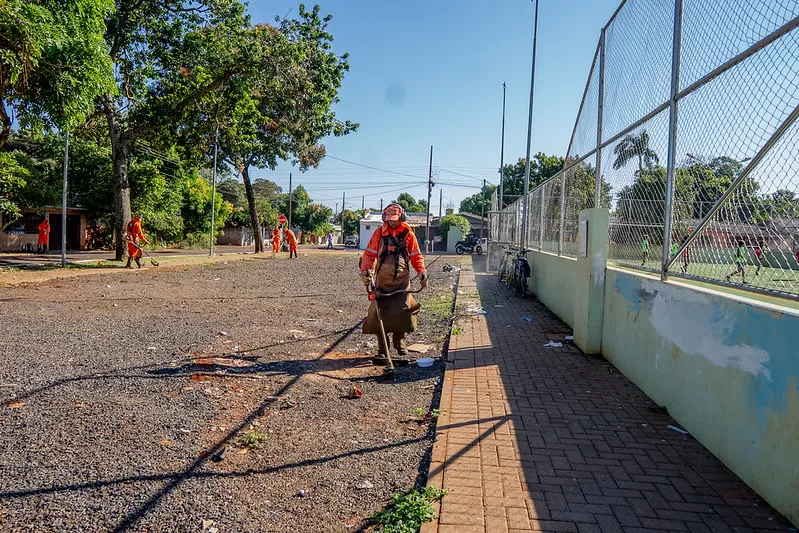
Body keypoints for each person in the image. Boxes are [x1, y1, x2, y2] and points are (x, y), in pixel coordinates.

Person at [359, 203, 428, 364]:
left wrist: (422, 272)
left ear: (401, 217)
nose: (392, 222)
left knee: (403, 311)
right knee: (378, 313)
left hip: (402, 281)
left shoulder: (408, 234)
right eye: (389, 220)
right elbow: (369, 254)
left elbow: (416, 255)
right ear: (385, 219)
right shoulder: (379, 234)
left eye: (395, 219)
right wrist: (365, 271)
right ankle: (382, 349)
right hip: (382, 280)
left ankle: (400, 341)